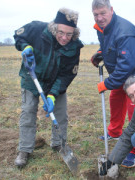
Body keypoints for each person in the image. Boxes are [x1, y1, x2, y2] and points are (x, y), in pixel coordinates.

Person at [13, 8, 83, 168]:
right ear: (54, 27)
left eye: (69, 34)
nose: (64, 37)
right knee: (28, 111)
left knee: (60, 115)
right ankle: (24, 150)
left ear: (75, 32)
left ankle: (59, 144)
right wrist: (24, 47)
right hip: (32, 79)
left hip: (54, 83)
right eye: (61, 32)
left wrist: (52, 95)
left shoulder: (74, 47)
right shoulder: (37, 29)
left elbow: (67, 74)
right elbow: (18, 35)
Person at [90, 0, 135, 168]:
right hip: (121, 71)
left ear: (111, 10)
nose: (99, 17)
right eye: (96, 14)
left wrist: (107, 83)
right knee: (116, 98)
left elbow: (127, 66)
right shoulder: (102, 27)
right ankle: (115, 131)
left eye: (103, 13)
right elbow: (110, 44)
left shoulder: (125, 32)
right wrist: (101, 53)